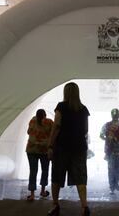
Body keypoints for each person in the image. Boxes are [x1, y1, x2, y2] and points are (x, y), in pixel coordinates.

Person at [47, 82, 90, 216]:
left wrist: (49, 145)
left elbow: (56, 126)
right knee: (81, 177)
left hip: (62, 147)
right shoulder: (83, 109)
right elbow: (86, 130)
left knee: (56, 176)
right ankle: (84, 207)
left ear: (65, 92)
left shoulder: (61, 106)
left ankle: (55, 205)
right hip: (79, 147)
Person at [26, 109, 53, 201]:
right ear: (45, 115)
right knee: (45, 170)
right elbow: (54, 134)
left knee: (33, 171)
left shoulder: (32, 120)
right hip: (44, 150)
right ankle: (42, 191)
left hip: (31, 150)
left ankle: (32, 195)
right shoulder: (49, 122)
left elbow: (28, 132)